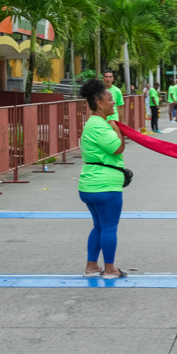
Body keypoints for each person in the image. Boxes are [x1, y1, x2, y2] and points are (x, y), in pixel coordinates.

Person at [78, 78, 128, 279]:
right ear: (99, 103)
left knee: (99, 226)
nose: (113, 102)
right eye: (110, 99)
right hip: (104, 186)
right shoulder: (99, 125)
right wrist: (118, 131)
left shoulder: (94, 123)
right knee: (109, 227)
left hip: (91, 184)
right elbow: (118, 148)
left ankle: (92, 267)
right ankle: (109, 269)